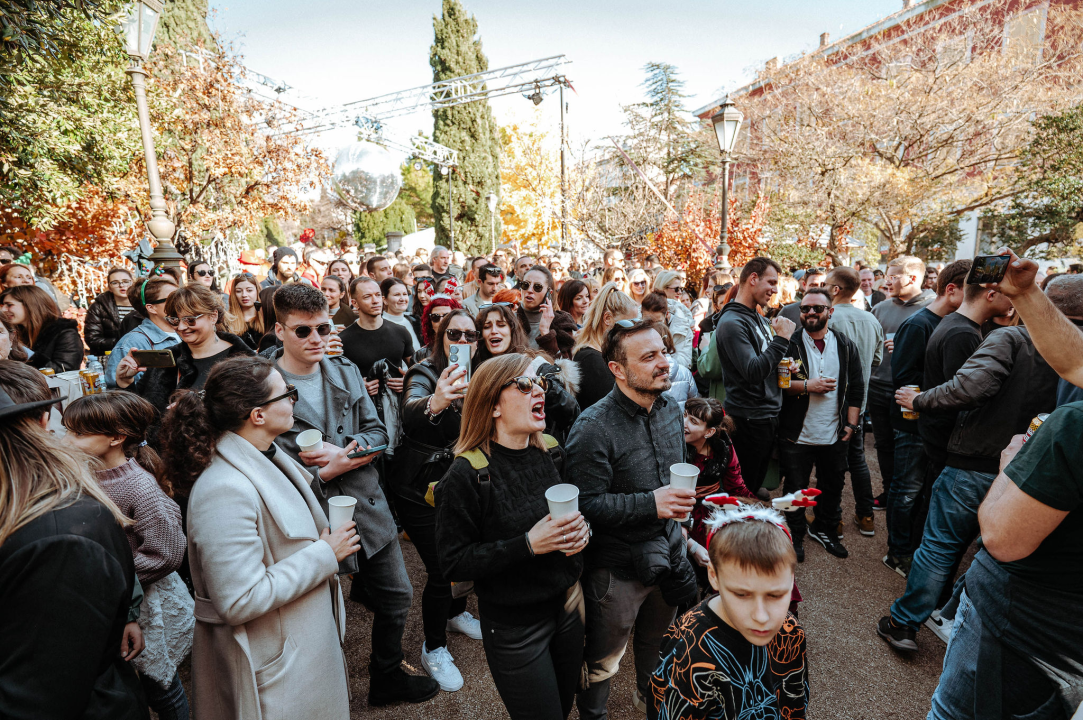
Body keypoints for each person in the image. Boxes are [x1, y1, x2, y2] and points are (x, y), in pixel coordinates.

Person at [255, 284, 435, 705]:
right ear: (279, 331)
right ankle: (318, 692)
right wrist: (321, 472)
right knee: (315, 613)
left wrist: (346, 453)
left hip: (365, 502)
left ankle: (386, 674)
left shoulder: (346, 371)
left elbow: (378, 431)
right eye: (303, 332)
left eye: (323, 328)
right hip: (306, 514)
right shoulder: (259, 384)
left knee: (396, 594)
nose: (316, 339)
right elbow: (259, 459)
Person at [156, 356, 361, 719]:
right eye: (287, 393)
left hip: (299, 646)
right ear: (258, 415)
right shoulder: (223, 489)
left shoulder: (269, 454)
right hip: (273, 668)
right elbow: (239, 599)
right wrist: (325, 554)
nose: (294, 399)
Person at [878, 275, 1069, 653]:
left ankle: (903, 623)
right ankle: (957, 622)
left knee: (941, 545)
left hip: (975, 462)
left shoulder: (1013, 338)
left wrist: (918, 401)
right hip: (1029, 471)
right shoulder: (1064, 353)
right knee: (990, 555)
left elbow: (969, 388)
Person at [436, 353, 589, 720]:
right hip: (516, 627)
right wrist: (528, 545)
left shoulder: (550, 450)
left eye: (539, 383)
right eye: (523, 384)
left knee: (565, 708)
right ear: (492, 406)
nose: (538, 389)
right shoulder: (464, 476)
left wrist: (583, 532)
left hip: (568, 606)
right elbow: (453, 562)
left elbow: (567, 522)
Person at [0, 360, 147, 720]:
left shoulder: (60, 539)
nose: (70, 440)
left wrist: (126, 605)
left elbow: (39, 698)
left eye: (78, 433)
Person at [566, 319, 698, 720]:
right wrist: (650, 504)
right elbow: (584, 505)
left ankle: (654, 704)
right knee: (604, 661)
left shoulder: (672, 409)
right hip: (617, 572)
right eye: (649, 357)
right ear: (617, 369)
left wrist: (681, 528)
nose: (665, 363)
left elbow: (675, 473)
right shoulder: (592, 428)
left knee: (659, 645)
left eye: (663, 352)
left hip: (668, 552)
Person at [62, 390, 191, 719]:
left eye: (77, 433)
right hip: (113, 596)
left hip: (142, 601)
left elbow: (167, 552)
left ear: (116, 437)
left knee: (158, 683)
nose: (67, 439)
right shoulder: (86, 472)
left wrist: (112, 578)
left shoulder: (138, 486)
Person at [648, 505, 808, 720]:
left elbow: (795, 703)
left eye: (775, 595)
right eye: (742, 595)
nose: (761, 616)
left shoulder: (791, 631)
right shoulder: (689, 654)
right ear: (714, 575)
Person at [397, 309, 483, 692]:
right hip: (419, 486)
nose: (462, 342)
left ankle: (455, 613)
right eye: (454, 334)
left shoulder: (480, 374)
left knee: (465, 554)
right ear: (440, 337)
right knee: (440, 568)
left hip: (461, 484)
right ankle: (433, 648)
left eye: (469, 335)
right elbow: (411, 412)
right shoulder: (424, 373)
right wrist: (437, 400)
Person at [881, 260, 969, 576]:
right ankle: (897, 552)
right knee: (905, 490)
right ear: (951, 289)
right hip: (911, 423)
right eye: (971, 290)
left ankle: (910, 548)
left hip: (933, 422)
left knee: (919, 492)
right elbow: (904, 377)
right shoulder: (920, 325)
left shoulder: (960, 323)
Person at [777, 288, 864, 561]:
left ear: (830, 312)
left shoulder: (845, 345)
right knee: (796, 489)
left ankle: (824, 529)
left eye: (817, 308)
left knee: (832, 487)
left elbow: (857, 388)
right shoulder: (789, 344)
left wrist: (851, 425)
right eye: (805, 309)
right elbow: (778, 385)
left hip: (834, 433)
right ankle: (795, 536)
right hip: (797, 434)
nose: (811, 313)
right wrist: (807, 385)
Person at [116, 283, 253, 435]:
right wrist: (125, 383)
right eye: (174, 320)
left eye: (190, 320)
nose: (181, 327)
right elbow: (141, 413)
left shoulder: (244, 362)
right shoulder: (167, 359)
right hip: (168, 454)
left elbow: (253, 416)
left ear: (213, 316)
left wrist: (197, 412)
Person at [714, 257, 797, 497]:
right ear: (752, 279)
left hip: (767, 416)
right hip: (748, 420)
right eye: (771, 282)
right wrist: (782, 340)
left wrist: (783, 364)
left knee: (753, 486)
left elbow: (764, 361)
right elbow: (752, 372)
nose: (775, 289)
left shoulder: (758, 318)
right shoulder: (731, 322)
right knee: (741, 491)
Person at [868, 255, 933, 512]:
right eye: (887, 275)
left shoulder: (930, 308)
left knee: (909, 446)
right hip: (878, 386)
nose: (887, 281)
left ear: (913, 278)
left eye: (894, 276)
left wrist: (910, 348)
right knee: (883, 444)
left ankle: (909, 496)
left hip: (912, 391)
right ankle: (889, 490)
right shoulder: (881, 308)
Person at [825, 267, 884, 537]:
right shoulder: (871, 320)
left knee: (831, 461)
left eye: (826, 284)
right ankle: (866, 515)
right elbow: (877, 360)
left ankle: (833, 519)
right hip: (859, 403)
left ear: (835, 289)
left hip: (831, 401)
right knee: (857, 458)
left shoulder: (831, 318)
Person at [474, 302, 582, 443]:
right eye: (487, 326)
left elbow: (570, 411)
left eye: (501, 325)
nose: (493, 330)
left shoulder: (535, 365)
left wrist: (540, 383)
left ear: (512, 331)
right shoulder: (478, 371)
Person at [681, 397, 756, 589]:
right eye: (685, 415)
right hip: (683, 515)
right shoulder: (675, 448)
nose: (684, 424)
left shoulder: (723, 446)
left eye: (693, 421)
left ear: (710, 431)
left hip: (715, 511)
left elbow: (737, 487)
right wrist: (691, 545)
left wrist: (761, 513)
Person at [340, 277, 413, 398]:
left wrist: (409, 381)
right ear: (354, 303)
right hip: (364, 411)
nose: (375, 301)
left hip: (399, 409)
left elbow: (417, 368)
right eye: (367, 297)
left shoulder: (400, 332)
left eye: (378, 295)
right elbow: (338, 381)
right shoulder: (344, 339)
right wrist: (357, 387)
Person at [571, 283, 639, 410]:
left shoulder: (608, 352)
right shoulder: (590, 359)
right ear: (607, 318)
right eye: (628, 324)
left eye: (636, 323)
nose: (633, 331)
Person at [105, 274, 180, 388]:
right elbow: (117, 393)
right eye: (172, 299)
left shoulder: (187, 332)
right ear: (151, 308)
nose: (182, 301)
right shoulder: (131, 344)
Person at [0, 285, 83, 372]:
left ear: (30, 305)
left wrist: (28, 354)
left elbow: (66, 370)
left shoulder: (64, 332)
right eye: (2, 305)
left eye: (9, 305)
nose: (3, 310)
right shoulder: (13, 333)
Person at [518, 265, 577, 359]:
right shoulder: (508, 319)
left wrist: (546, 333)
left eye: (537, 287)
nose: (529, 290)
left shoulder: (561, 322)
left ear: (549, 293)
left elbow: (565, 366)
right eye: (525, 284)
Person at [84, 267, 135, 356]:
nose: (122, 285)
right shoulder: (99, 307)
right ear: (109, 287)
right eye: (115, 283)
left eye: (126, 281)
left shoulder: (144, 305)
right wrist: (122, 343)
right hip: (111, 356)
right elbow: (92, 339)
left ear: (133, 283)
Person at [653, 270, 694, 369]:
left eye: (681, 289)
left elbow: (686, 359)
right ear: (663, 289)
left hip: (678, 369)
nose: (679, 292)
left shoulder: (684, 314)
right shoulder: (644, 310)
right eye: (676, 289)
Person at [225, 271, 267, 350]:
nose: (244, 295)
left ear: (257, 291)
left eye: (249, 290)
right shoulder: (227, 321)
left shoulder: (267, 318)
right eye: (239, 291)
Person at [381, 276, 421, 350]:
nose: (402, 299)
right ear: (385, 300)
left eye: (405, 294)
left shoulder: (415, 321)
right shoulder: (379, 325)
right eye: (397, 295)